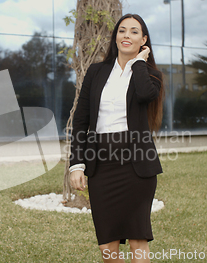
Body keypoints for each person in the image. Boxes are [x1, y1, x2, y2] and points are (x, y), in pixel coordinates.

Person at [69, 13, 165, 263]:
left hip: (137, 166)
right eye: (122, 30)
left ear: (144, 39)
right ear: (115, 37)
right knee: (108, 251)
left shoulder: (150, 74)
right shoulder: (96, 72)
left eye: (134, 31)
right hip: (101, 165)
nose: (126, 35)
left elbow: (145, 95)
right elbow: (81, 120)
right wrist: (76, 163)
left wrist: (138, 63)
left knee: (137, 243)